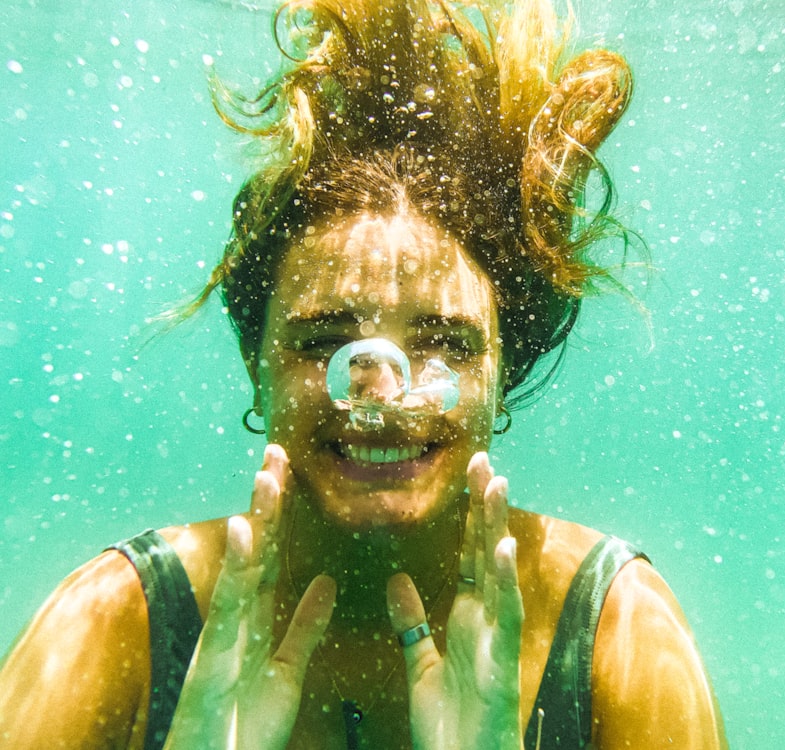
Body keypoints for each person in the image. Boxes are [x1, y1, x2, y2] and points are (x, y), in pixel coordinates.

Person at [0, 1, 728, 748]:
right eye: (324, 343)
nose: (379, 391)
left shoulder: (616, 627)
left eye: (445, 341)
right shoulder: (119, 618)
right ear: (256, 367)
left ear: (503, 375)